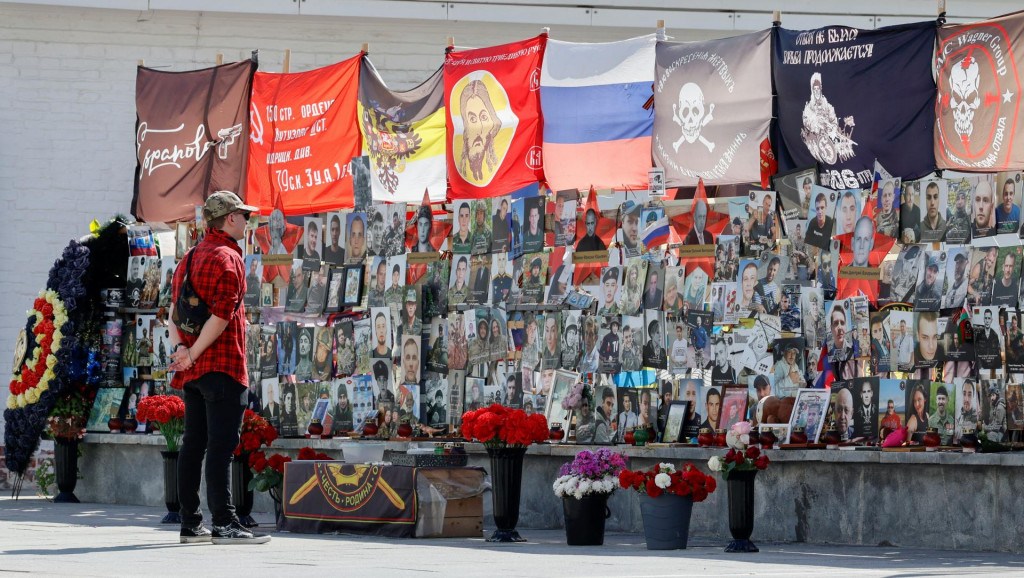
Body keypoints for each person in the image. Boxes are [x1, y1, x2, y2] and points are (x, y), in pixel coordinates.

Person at [167, 191, 270, 544]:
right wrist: (194, 353)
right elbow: (222, 316)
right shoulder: (229, 258)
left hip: (193, 370)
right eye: (243, 215)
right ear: (229, 218)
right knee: (222, 447)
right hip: (222, 366)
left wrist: (183, 350)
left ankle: (191, 524)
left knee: (193, 444)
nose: (247, 221)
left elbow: (172, 314)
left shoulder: (189, 257)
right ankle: (224, 523)